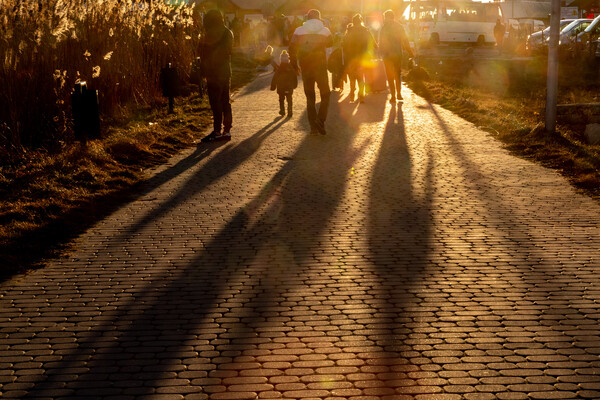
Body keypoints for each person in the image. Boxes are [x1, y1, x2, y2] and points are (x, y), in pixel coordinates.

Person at [289, 9, 333, 135]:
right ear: (319, 18)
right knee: (326, 94)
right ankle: (321, 120)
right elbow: (331, 42)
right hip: (320, 66)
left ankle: (313, 128)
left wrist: (294, 65)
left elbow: (291, 49)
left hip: (306, 67)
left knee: (310, 96)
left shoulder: (298, 30)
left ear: (307, 18)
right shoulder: (325, 30)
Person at [200, 9, 234, 142]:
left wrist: (203, 73)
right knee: (226, 101)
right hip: (225, 71)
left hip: (213, 73)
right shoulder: (228, 32)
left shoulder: (209, 34)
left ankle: (216, 131)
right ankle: (227, 131)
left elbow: (204, 54)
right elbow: (229, 51)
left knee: (215, 102)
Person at [378, 9, 414, 102]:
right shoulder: (399, 27)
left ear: (387, 17)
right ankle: (398, 94)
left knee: (390, 76)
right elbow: (405, 41)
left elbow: (381, 42)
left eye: (385, 17)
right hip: (397, 54)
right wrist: (410, 52)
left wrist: (380, 53)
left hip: (387, 55)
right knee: (397, 74)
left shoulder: (384, 28)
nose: (385, 19)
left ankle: (393, 96)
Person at [342, 14, 377, 103]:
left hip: (351, 58)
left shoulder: (349, 30)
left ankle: (352, 95)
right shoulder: (365, 30)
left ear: (353, 22)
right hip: (362, 57)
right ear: (361, 21)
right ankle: (361, 97)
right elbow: (373, 43)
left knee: (352, 77)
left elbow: (344, 43)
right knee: (361, 77)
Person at [271, 50, 298, 117]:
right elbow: (294, 77)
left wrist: (273, 86)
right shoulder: (291, 68)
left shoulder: (279, 69)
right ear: (288, 59)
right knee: (289, 99)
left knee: (281, 99)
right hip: (289, 86)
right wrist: (295, 85)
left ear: (281, 59)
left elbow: (275, 78)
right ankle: (290, 111)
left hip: (281, 87)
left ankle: (282, 110)